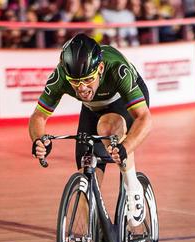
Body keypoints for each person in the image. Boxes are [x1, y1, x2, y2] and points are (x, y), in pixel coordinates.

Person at [29, 33, 152, 229]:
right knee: (87, 178)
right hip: (92, 109)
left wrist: (125, 146)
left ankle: (132, 185)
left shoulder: (116, 68)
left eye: (87, 79)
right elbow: (38, 116)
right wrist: (39, 139)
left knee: (107, 125)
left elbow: (144, 118)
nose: (82, 88)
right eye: (75, 82)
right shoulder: (61, 76)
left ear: (100, 68)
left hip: (123, 102)